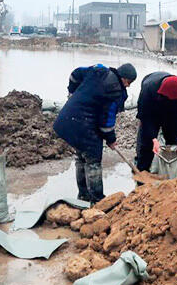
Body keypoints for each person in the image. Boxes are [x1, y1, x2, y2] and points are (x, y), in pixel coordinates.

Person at [53, 63, 136, 203]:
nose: (128, 86)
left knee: (81, 158)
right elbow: (106, 121)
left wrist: (72, 92)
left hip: (68, 119)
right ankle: (97, 201)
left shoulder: (98, 70)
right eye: (128, 82)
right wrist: (111, 139)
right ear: (123, 78)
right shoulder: (115, 92)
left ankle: (83, 196)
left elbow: (75, 74)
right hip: (84, 125)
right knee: (93, 162)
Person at [135, 72, 177, 171]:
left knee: (174, 140)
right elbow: (145, 117)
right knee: (146, 143)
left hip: (173, 112)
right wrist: (153, 139)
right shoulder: (148, 89)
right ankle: (142, 168)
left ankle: (173, 167)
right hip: (153, 109)